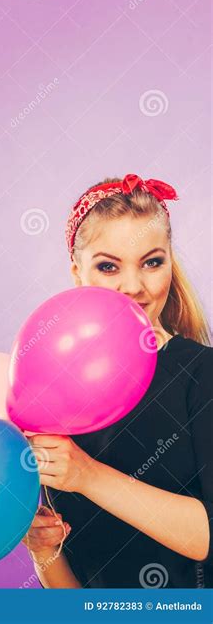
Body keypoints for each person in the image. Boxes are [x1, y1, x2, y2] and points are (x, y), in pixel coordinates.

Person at [22, 174, 212, 588]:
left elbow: (207, 539)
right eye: (108, 266)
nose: (133, 287)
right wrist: (43, 550)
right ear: (78, 273)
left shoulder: (200, 374)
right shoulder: (57, 390)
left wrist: (86, 475)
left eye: (152, 262)